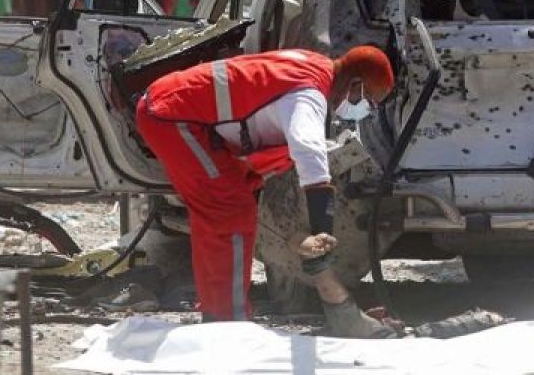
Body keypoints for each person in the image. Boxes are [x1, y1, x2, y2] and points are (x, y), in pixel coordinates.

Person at [135, 46, 398, 335]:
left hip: (177, 107)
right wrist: (321, 231)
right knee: (228, 211)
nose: (365, 109)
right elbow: (309, 152)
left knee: (237, 198)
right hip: (173, 117)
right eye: (368, 101)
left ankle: (220, 312)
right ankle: (226, 322)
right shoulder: (308, 96)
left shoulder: (315, 65)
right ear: (355, 85)